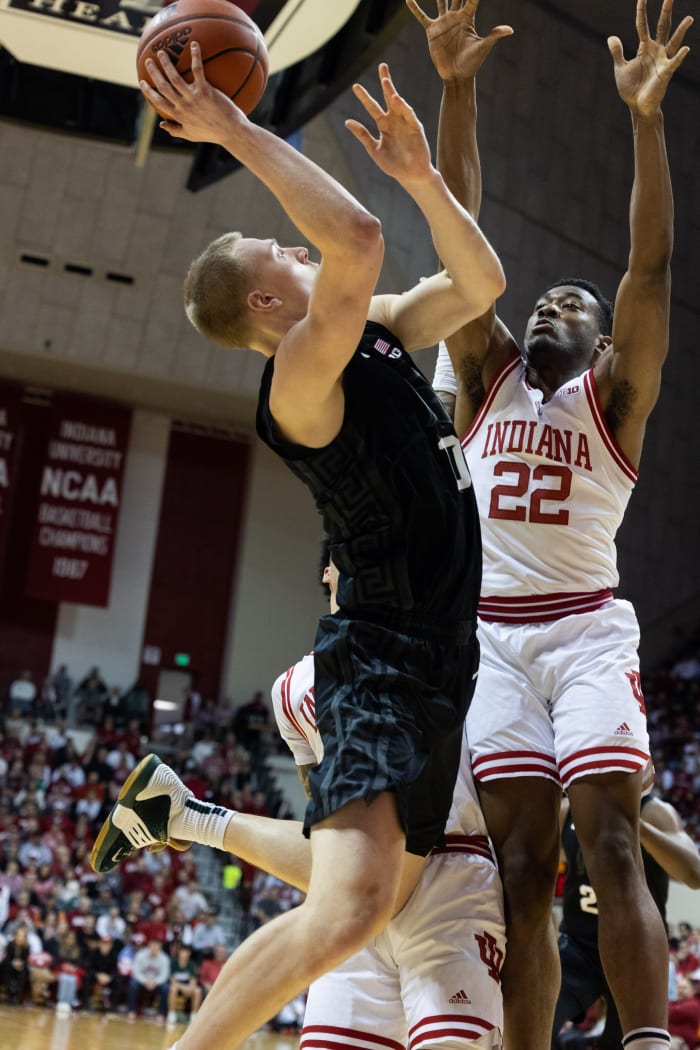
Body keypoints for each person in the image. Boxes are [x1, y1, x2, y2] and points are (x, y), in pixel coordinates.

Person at [90, 20, 505, 1049]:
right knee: (350, 908)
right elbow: (355, 237)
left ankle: (188, 816)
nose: (297, 245)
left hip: (440, 658)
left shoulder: (378, 332)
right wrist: (232, 126)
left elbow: (481, 285)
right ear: (269, 300)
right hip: (383, 653)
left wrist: (424, 180)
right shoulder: (299, 381)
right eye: (279, 251)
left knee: (365, 895)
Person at [408, 1, 693, 1049]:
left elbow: (649, 272)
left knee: (612, 847)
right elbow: (459, 243)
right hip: (491, 641)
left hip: (583, 633)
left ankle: (648, 1041)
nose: (545, 308)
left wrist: (645, 122)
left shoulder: (614, 400)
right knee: (523, 873)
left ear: (603, 343)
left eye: (572, 305)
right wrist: (457, 89)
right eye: (541, 301)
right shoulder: (481, 373)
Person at [269, 540, 505, 1048]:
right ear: (329, 571)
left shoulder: (436, 647)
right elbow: (318, 800)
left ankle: (193, 817)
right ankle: (193, 818)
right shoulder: (289, 691)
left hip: (451, 871)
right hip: (359, 885)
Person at [554, 791, 700, 1049]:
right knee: (531, 1023)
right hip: (578, 946)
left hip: (637, 949)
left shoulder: (655, 812)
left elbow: (694, 873)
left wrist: (635, 825)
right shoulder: (568, 810)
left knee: (624, 1043)